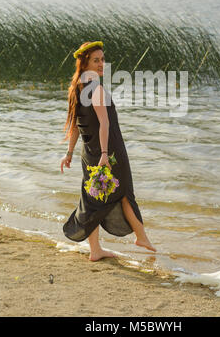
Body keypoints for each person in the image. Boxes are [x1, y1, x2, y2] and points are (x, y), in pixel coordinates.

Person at [61, 40, 156, 261]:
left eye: (103, 59)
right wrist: (105, 155)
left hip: (89, 153)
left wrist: (69, 153)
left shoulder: (76, 88)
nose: (102, 63)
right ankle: (141, 236)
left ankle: (95, 250)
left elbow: (75, 125)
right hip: (109, 152)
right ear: (85, 62)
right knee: (123, 193)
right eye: (96, 60)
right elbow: (104, 123)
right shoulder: (96, 89)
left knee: (91, 200)